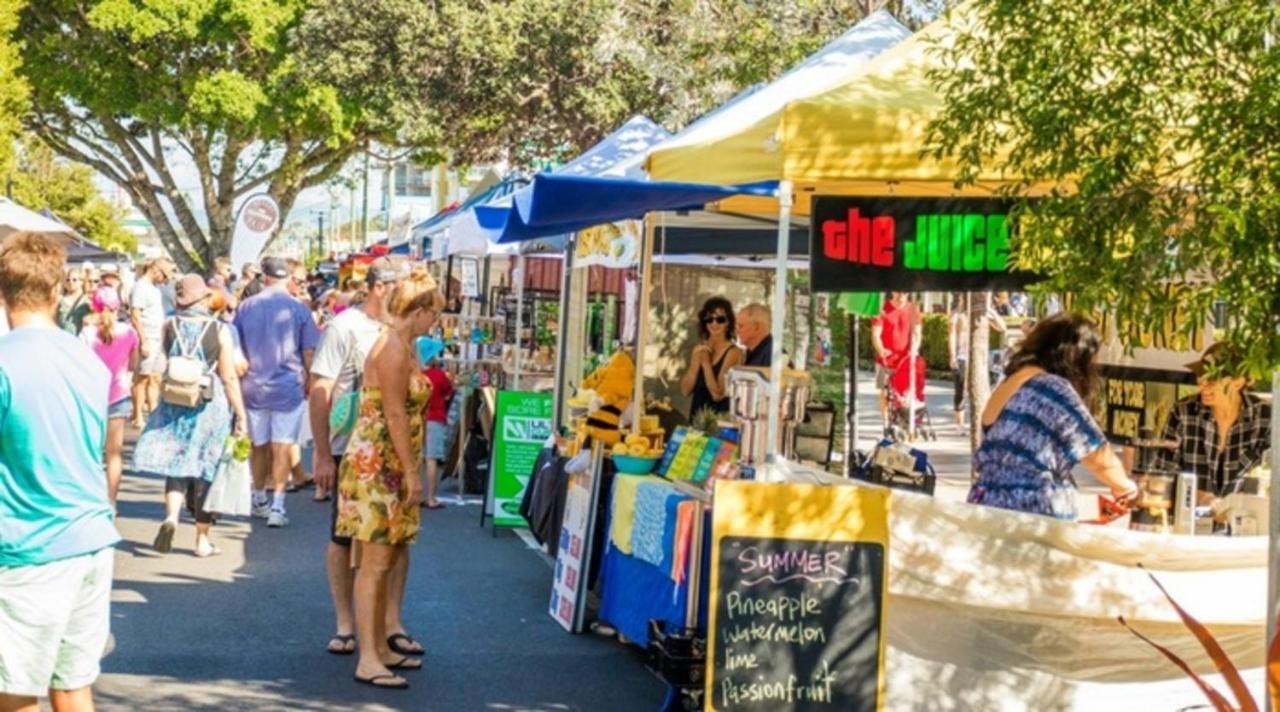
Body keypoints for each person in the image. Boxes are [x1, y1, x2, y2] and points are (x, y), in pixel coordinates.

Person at [0, 232, 118, 711]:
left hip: (29, 545)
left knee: (16, 690)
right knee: (72, 686)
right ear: (56, 291)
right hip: (89, 539)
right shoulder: (85, 360)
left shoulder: (6, 361)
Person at [335, 267, 443, 690]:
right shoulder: (394, 348)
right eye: (433, 312)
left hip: (386, 460)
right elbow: (395, 413)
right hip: (379, 465)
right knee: (375, 562)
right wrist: (412, 471)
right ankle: (368, 657)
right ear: (416, 311)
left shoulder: (402, 343)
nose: (436, 321)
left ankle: (378, 646)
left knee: (389, 556)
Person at [967, 313, 1140, 520]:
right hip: (1032, 514)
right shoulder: (1051, 388)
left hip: (986, 510)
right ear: (1076, 356)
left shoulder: (1009, 383)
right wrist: (1126, 488)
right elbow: (1097, 455)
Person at [134, 275, 248, 557]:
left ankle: (171, 516)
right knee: (205, 468)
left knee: (177, 463)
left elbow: (160, 362)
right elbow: (229, 376)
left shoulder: (168, 325)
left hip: (174, 400)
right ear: (203, 299)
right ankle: (201, 540)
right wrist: (241, 414)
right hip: (209, 403)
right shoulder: (218, 330)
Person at [234, 257, 320, 528]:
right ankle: (278, 506)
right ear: (288, 278)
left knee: (258, 445)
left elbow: (235, 344)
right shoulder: (299, 308)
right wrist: (310, 379)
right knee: (282, 445)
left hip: (253, 385)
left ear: (265, 277)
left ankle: (259, 497)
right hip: (287, 385)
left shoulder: (246, 306)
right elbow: (309, 351)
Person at [1154, 343, 1272, 497]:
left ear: (1238, 382)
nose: (1202, 386)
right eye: (1200, 377)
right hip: (1190, 516)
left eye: (1212, 380)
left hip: (1248, 516)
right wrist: (1199, 498)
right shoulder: (1183, 412)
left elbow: (1271, 479)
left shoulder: (1266, 416)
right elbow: (1163, 474)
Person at [81, 285, 141, 506]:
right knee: (114, 454)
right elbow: (134, 365)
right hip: (118, 394)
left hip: (91, 396)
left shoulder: (87, 333)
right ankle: (111, 501)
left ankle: (89, 500)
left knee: (90, 452)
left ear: (94, 306)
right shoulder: (129, 332)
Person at [947, 295, 1007, 427]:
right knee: (961, 389)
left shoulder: (982, 313)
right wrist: (952, 355)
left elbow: (1002, 327)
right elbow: (952, 335)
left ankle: (982, 422)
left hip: (979, 357)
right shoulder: (957, 315)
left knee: (982, 389)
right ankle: (960, 424)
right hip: (962, 356)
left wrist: (990, 311)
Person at [130, 256, 174, 428]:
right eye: (164, 276)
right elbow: (135, 315)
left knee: (155, 377)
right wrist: (144, 340)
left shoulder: (154, 288)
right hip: (148, 336)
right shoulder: (141, 287)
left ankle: (153, 411)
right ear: (156, 270)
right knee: (142, 378)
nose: (165, 280)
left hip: (157, 336)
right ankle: (138, 414)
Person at [680, 296, 742, 419]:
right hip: (696, 419)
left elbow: (718, 394)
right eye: (710, 319)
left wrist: (706, 364)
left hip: (718, 422)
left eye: (720, 319)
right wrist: (694, 363)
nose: (714, 323)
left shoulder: (734, 352)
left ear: (728, 322)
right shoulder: (700, 349)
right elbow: (685, 390)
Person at [871, 293, 922, 421]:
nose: (901, 295)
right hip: (885, 360)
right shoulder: (882, 309)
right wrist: (881, 349)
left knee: (904, 392)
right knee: (884, 391)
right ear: (892, 292)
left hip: (905, 360)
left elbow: (917, 333)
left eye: (904, 293)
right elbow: (876, 335)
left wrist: (914, 350)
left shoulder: (912, 310)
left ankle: (902, 419)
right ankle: (886, 421)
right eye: (898, 292)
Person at [422, 356, 455, 509]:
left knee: (417, 459)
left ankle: (417, 495)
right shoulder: (438, 375)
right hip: (435, 418)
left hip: (417, 418)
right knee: (431, 458)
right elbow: (448, 391)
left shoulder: (416, 374)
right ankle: (431, 498)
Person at [736, 303, 774, 368]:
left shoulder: (773, 354)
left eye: (741, 326)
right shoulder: (752, 352)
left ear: (756, 327)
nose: (737, 331)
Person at [57, 268, 91, 335]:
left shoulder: (88, 300)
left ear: (81, 281)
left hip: (82, 339)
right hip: (63, 338)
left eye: (74, 280)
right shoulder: (60, 300)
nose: (70, 282)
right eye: (68, 280)